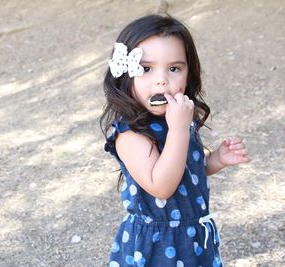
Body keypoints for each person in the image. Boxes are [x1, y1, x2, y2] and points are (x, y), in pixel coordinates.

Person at [100, 14, 250, 267]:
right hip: (158, 245)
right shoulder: (130, 134)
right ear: (125, 75)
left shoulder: (177, 118)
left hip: (192, 238)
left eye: (174, 69)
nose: (162, 80)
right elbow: (162, 186)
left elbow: (186, 169)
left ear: (188, 74)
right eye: (146, 69)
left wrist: (216, 160)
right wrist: (178, 131)